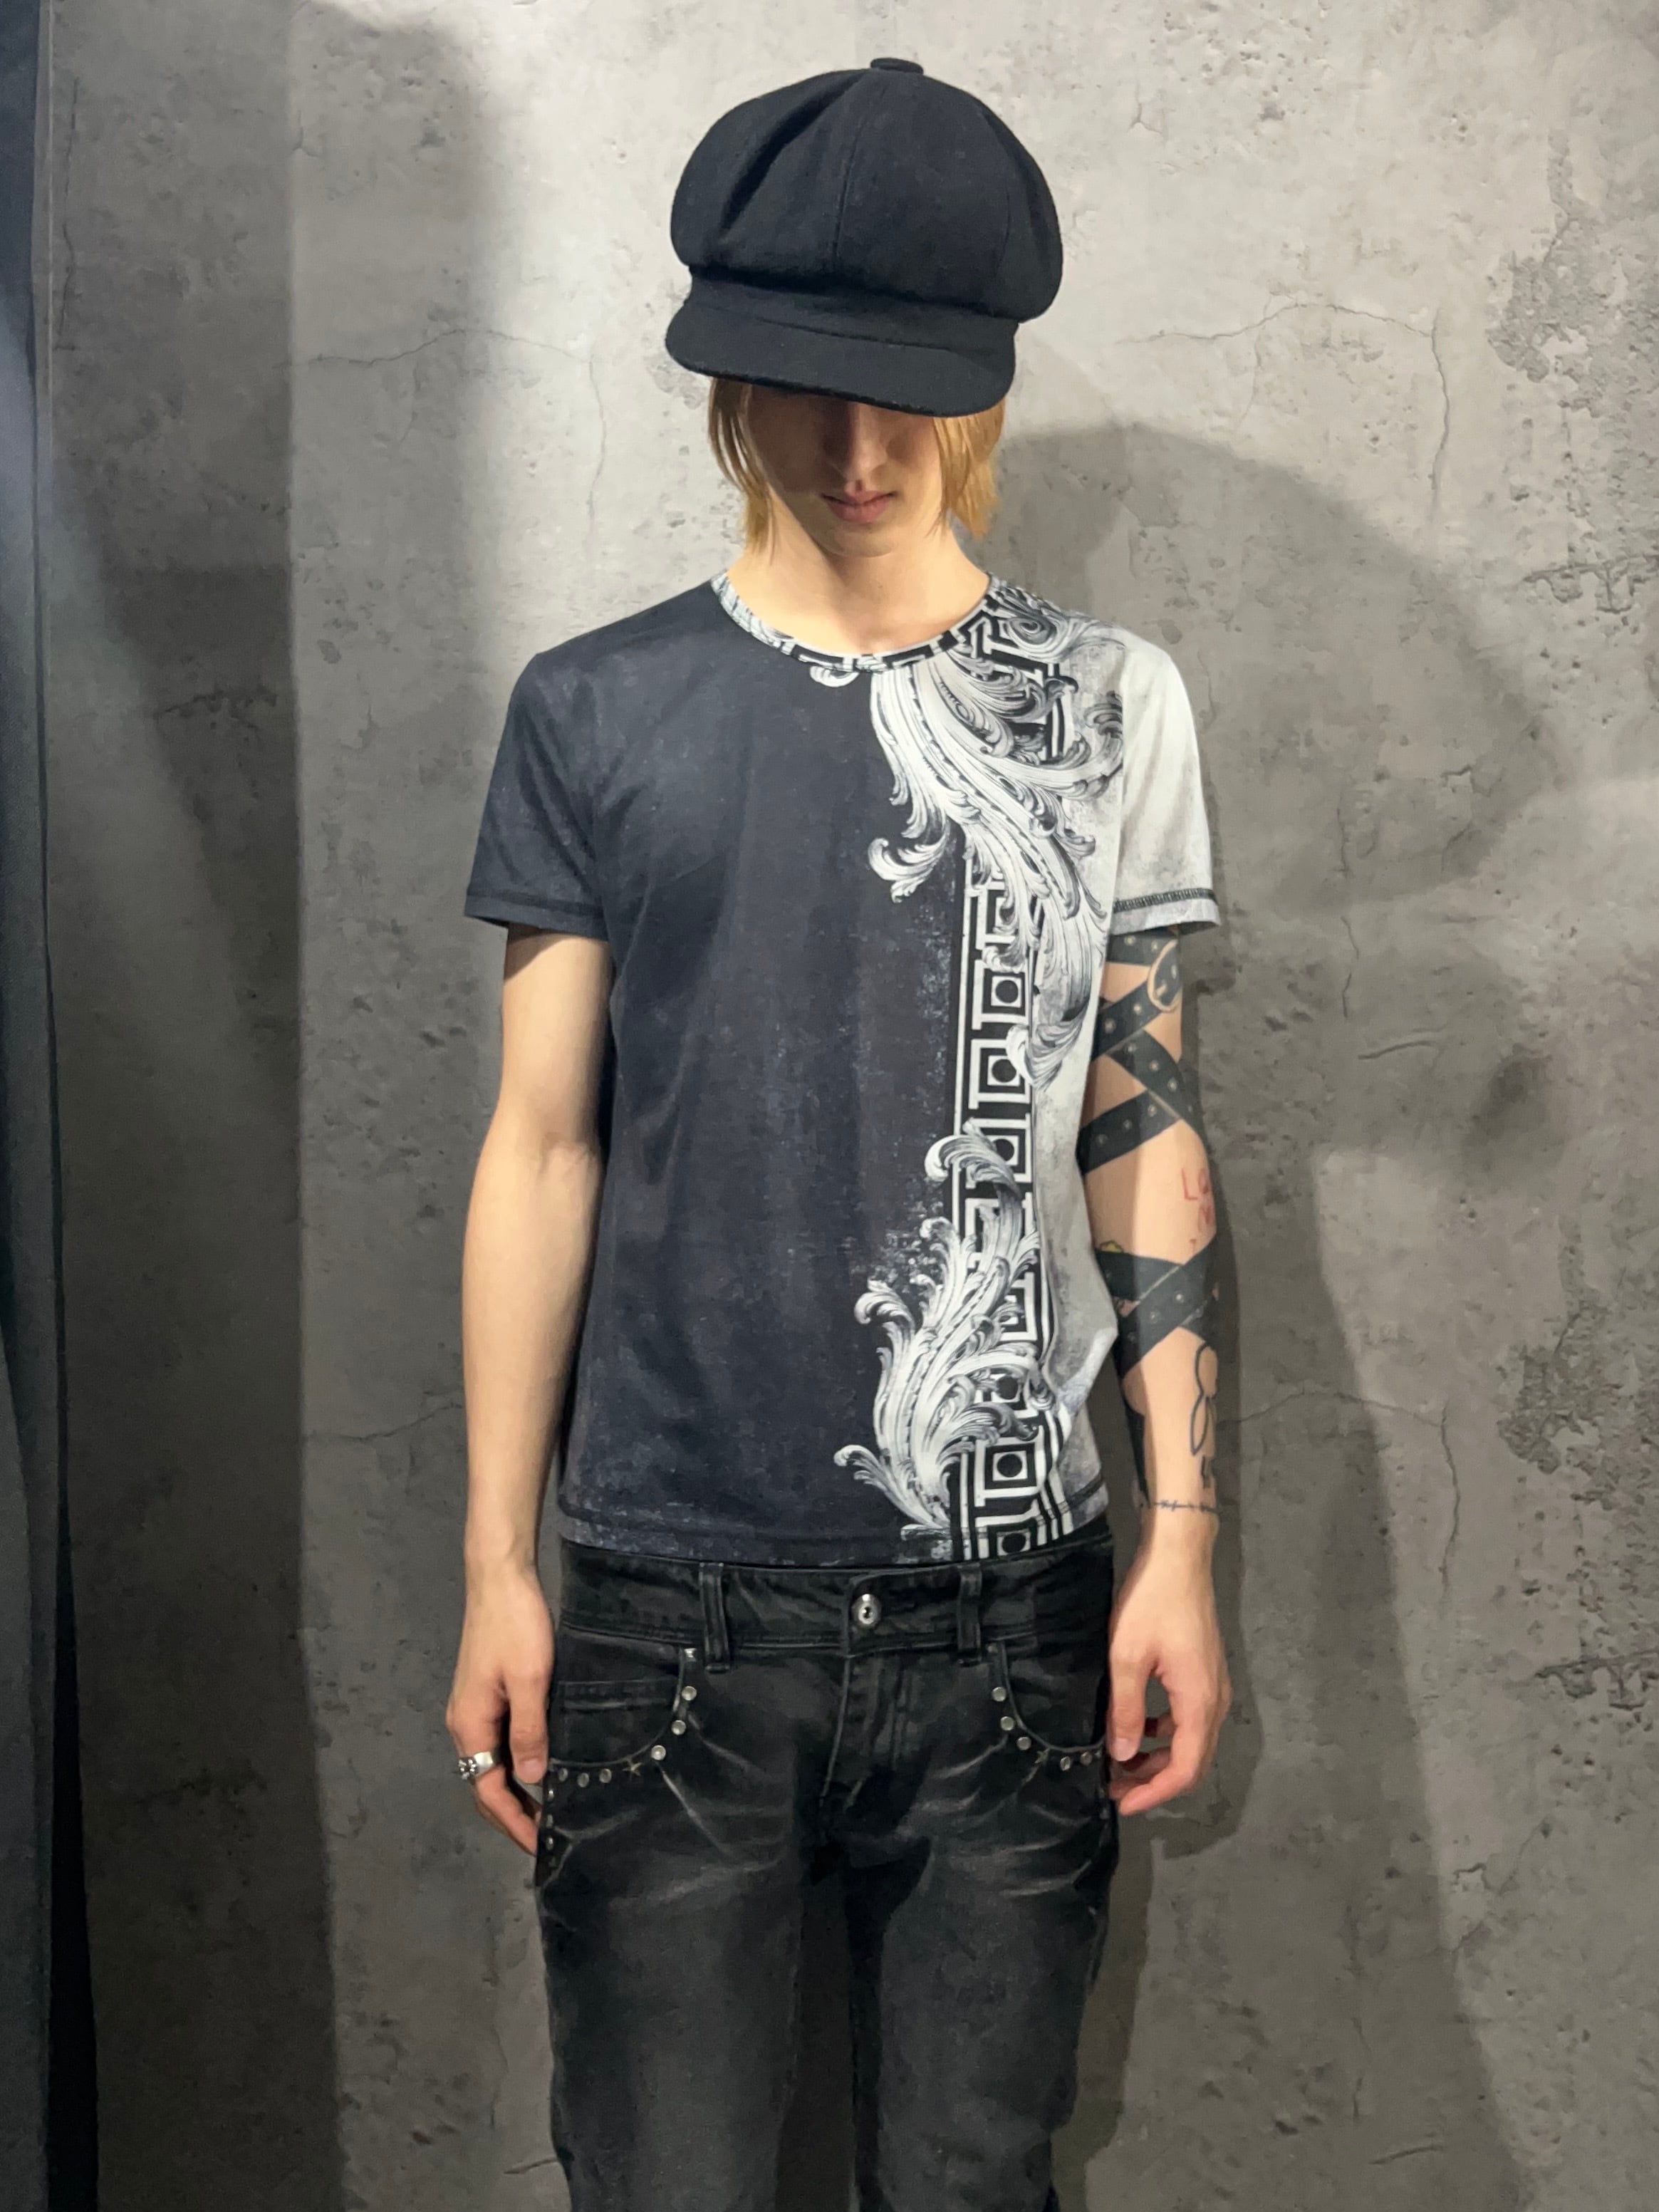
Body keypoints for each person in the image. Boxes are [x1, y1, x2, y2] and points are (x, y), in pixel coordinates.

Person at [447, 55, 1232, 2212]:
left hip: (1015, 1610)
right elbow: (540, 1148)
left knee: (979, 2185)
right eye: (806, 387)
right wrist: (497, 1563)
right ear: (728, 380)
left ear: (983, 391)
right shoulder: (593, 710)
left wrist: (1179, 1539)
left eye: (910, 397)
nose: (859, 451)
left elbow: (1142, 1120)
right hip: (664, 1603)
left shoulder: (1109, 707)